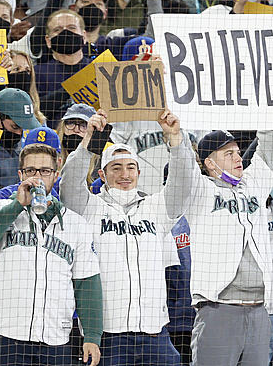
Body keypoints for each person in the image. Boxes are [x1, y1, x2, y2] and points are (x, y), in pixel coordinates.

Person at [162, 85, 273, 366]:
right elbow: (182, 169)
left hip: (259, 310)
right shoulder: (200, 190)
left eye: (237, 151)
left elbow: (271, 140)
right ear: (209, 163)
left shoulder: (253, 184)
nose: (237, 157)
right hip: (218, 310)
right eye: (227, 154)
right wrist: (176, 139)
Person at [60, 109, 189, 365]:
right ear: (102, 175)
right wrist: (87, 143)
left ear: (139, 173)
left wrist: (176, 139)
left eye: (131, 167)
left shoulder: (156, 208)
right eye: (116, 168)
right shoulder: (90, 208)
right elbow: (69, 184)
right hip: (108, 334)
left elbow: (182, 184)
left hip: (155, 331)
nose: (125, 174)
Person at [0, 138, 103, 366]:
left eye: (45, 170)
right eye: (31, 170)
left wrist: (92, 336)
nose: (37, 177)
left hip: (55, 337)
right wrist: (16, 206)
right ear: (21, 174)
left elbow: (87, 283)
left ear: (56, 173)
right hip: (5, 335)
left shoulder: (76, 224)